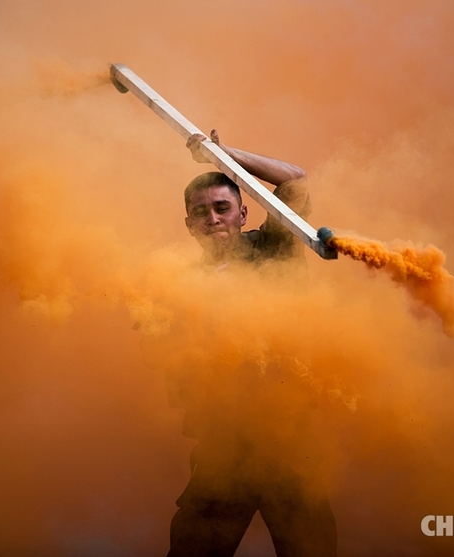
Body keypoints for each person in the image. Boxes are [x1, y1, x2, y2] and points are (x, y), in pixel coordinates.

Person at [164, 130, 338, 557]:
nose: (213, 218)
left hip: (288, 442)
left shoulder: (274, 248)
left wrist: (225, 157)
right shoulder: (179, 286)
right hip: (224, 449)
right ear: (189, 226)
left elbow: (294, 182)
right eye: (201, 213)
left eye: (222, 208)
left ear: (243, 213)